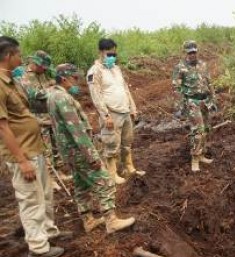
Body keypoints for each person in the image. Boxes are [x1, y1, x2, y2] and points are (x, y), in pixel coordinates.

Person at [48, 63, 136, 234]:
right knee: (105, 180)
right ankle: (111, 220)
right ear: (64, 78)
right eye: (74, 78)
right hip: (78, 150)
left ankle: (88, 220)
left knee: (81, 185)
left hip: (69, 152)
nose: (77, 82)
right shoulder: (62, 98)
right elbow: (77, 130)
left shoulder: (52, 95)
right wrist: (91, 156)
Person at [0, 36, 64, 257]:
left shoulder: (12, 81)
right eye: (18, 54)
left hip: (35, 148)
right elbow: (3, 127)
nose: (21, 58)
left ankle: (48, 232)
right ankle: (38, 247)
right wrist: (22, 160)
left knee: (45, 195)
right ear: (8, 56)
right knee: (30, 199)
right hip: (23, 153)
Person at [87, 38, 145, 185]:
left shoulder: (116, 69)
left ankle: (129, 168)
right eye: (109, 54)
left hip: (125, 111)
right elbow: (96, 95)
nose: (112, 57)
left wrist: (132, 108)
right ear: (101, 52)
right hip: (111, 113)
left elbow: (125, 89)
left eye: (114, 54)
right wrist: (105, 115)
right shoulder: (95, 72)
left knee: (127, 142)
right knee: (111, 144)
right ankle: (112, 174)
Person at [16, 50, 70, 187]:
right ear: (35, 63)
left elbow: (48, 85)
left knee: (56, 144)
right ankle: (50, 178)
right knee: (46, 149)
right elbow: (34, 93)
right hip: (38, 118)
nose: (44, 69)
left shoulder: (43, 74)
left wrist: (51, 84)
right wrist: (55, 89)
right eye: (43, 66)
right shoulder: (24, 76)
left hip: (50, 114)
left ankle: (59, 171)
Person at [172, 40, 217, 172]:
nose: (192, 55)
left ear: (197, 51)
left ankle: (202, 154)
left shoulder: (203, 65)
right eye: (190, 52)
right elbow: (176, 89)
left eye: (194, 52)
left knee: (206, 129)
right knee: (197, 130)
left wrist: (213, 100)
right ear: (185, 53)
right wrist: (180, 107)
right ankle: (195, 159)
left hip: (205, 102)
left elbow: (209, 83)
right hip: (192, 103)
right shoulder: (180, 67)